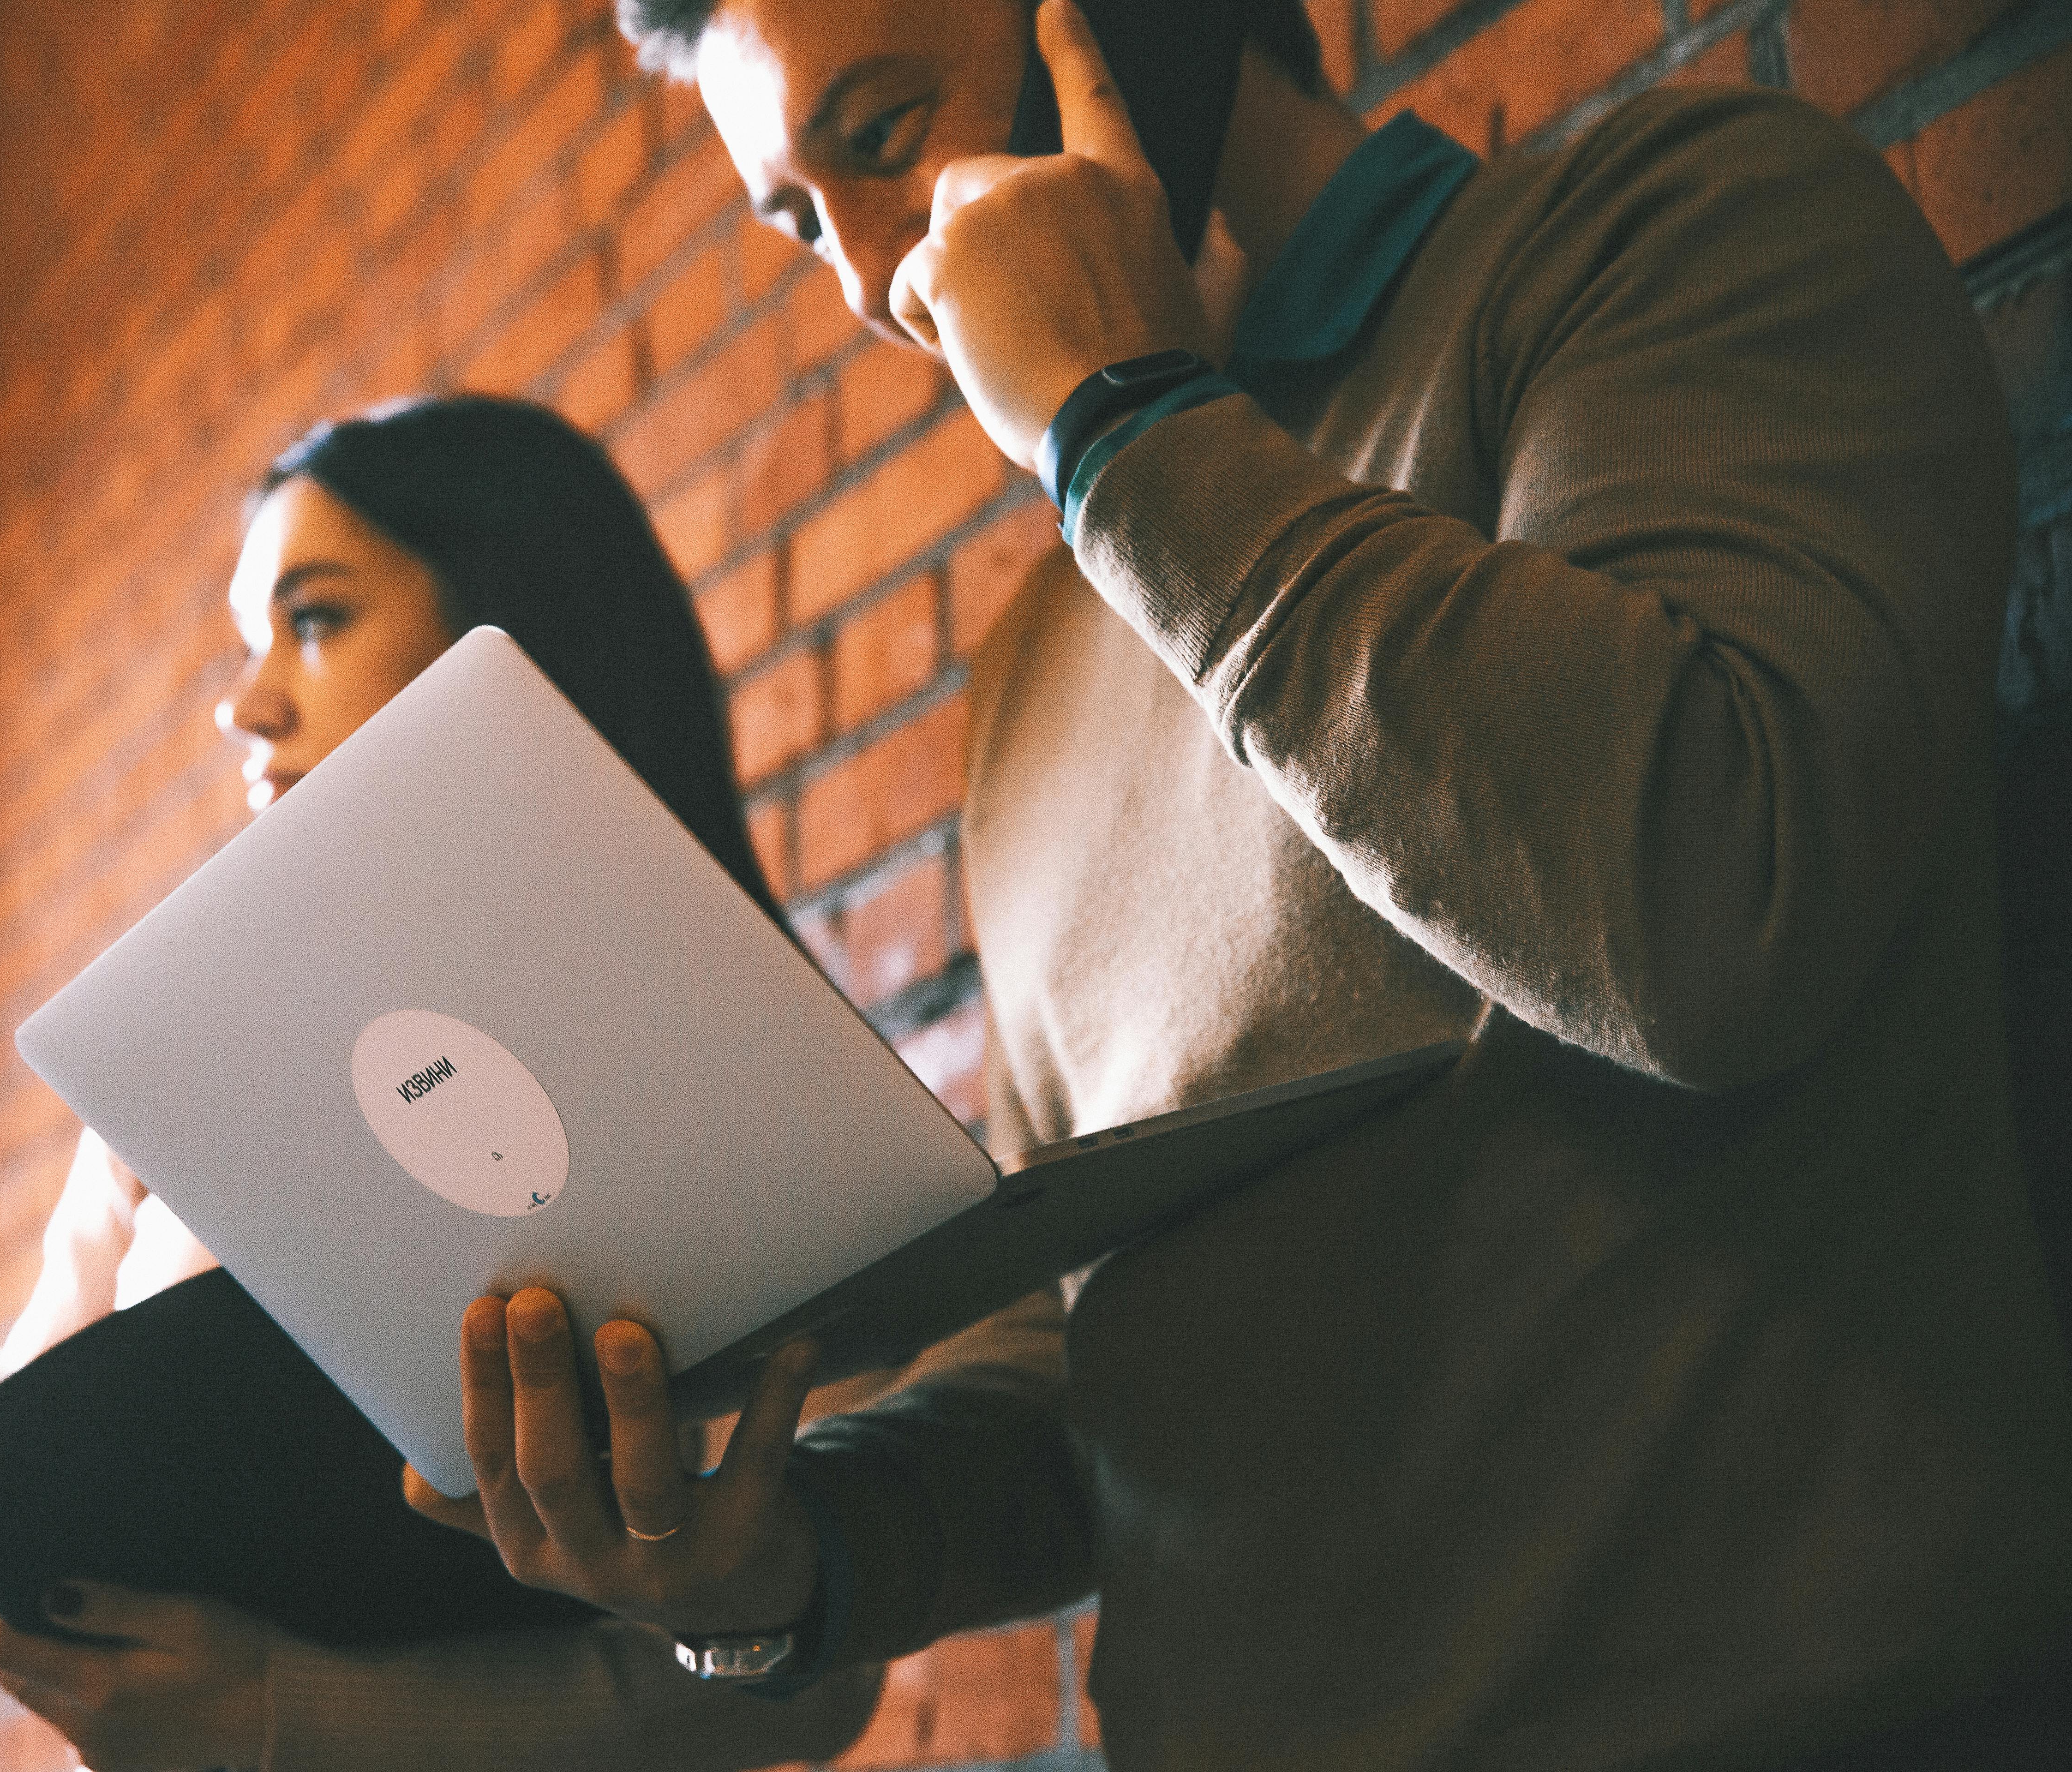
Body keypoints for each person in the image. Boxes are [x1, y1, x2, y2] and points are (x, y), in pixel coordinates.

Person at [414, 1, 2072, 1766]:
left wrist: (1123, 424)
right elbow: (1094, 1358)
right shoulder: (1045, 665)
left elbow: (1715, 908)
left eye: (886, 139)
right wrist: (784, 1552)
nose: (872, 281)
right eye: (803, 216)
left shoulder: (1663, 228)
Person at [0, 395, 1058, 1770]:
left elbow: (807, 1664)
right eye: (246, 642)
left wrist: (299, 1720)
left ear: (510, 621)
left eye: (316, 619)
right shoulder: (171, 1092)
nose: (244, 707)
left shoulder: (741, 1071)